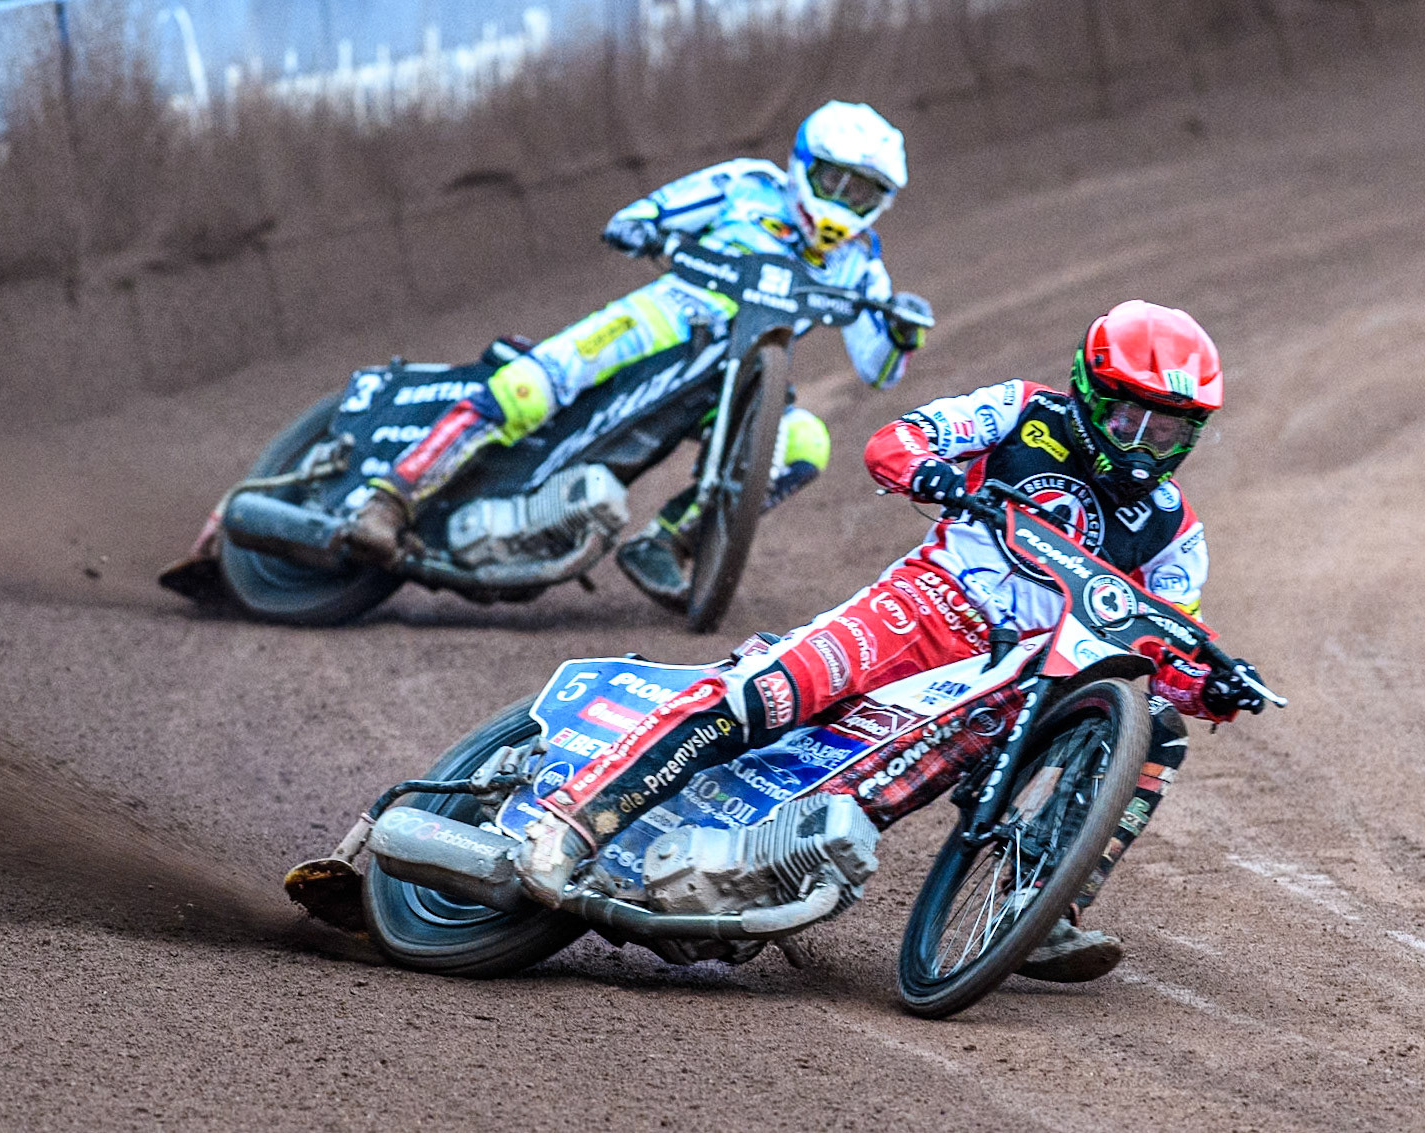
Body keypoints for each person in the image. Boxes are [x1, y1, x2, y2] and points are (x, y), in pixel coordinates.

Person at [514, 299, 1269, 982]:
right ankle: (573, 823)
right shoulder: (1021, 411)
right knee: (767, 692)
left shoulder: (1177, 532)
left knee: (1153, 730)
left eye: (1168, 430)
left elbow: (1168, 649)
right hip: (925, 606)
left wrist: (1213, 685)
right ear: (1088, 392)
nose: (1144, 444)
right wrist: (931, 474)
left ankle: (1041, 908)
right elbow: (899, 439)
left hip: (1017, 679)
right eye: (1130, 418)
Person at [342, 100, 933, 609]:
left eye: (862, 191)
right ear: (805, 166)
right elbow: (643, 215)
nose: (845, 200)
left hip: (739, 376)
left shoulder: (860, 261)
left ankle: (669, 541)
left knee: (806, 440)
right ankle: (389, 499)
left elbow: (879, 368)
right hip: (667, 315)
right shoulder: (748, 185)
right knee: (532, 386)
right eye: (835, 181)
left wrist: (904, 331)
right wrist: (646, 228)